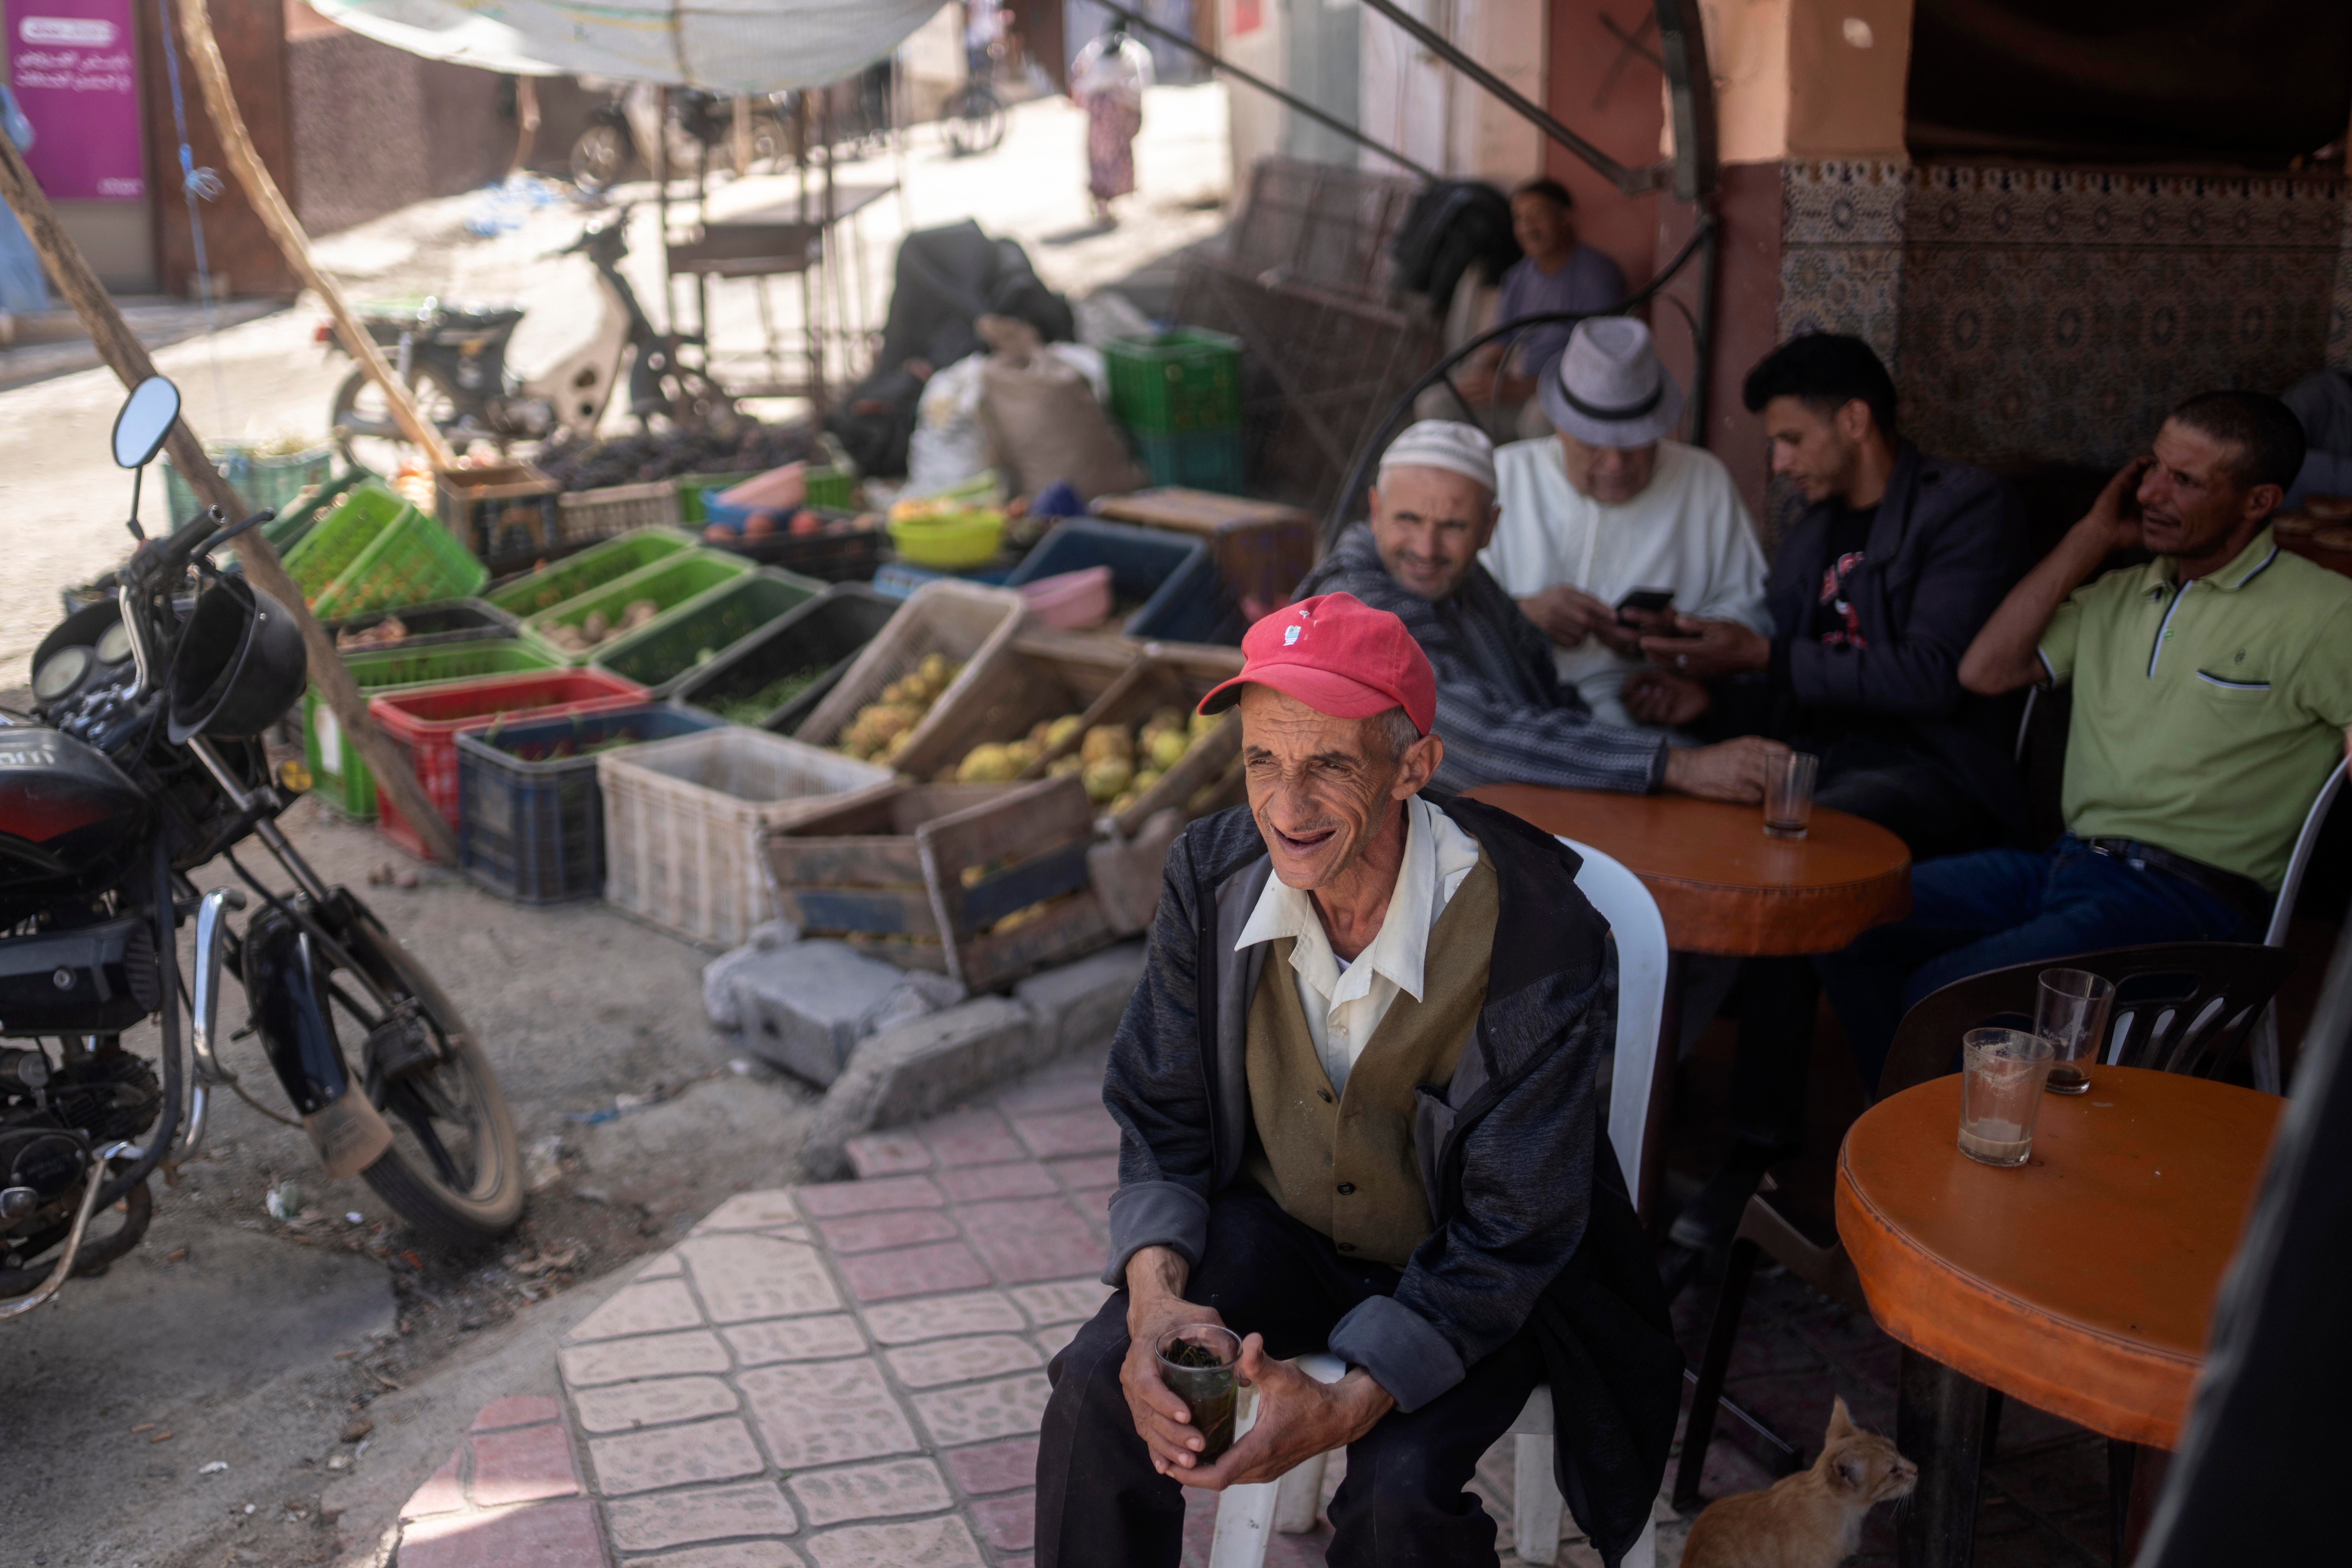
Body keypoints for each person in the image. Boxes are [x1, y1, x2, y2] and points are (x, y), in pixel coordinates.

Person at [1034, 593, 1679, 1567]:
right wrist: (1154, 1300)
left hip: (1473, 1270)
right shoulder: (1210, 880)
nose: (1284, 808)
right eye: (1262, 760)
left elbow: (1511, 1233)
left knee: (1396, 1499)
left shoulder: (1536, 940)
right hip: (1285, 1230)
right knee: (1100, 1383)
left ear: (1413, 765)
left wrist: (1344, 1402)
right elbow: (1161, 1117)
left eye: (1329, 764)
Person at [1624, 332, 2031, 1251]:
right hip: (1825, 759)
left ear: (1856, 420)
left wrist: (1759, 656)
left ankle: (1759, 1147)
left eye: (1791, 439)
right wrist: (1710, 690)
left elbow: (1933, 677)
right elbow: (1786, 681)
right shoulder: (1812, 531)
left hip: (1934, 767)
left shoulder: (1962, 509)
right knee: (1696, 808)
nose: (1778, 461)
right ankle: (1652, 1099)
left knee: (1789, 850)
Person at [1819, 389, 2352, 1086]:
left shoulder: (2325, 611)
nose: (2154, 492)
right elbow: (1986, 670)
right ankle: (1917, 1143)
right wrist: (2094, 535)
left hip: (2193, 902)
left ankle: (1933, 1165)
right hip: (2067, 865)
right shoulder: (2121, 593)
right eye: (2152, 468)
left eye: (2186, 481)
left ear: (2259, 502)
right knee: (1842, 918)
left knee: (1947, 993)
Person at [1295, 419, 1786, 802]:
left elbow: (1547, 693)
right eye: (1408, 519)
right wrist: (1674, 766)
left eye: (1453, 525)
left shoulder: (1468, 581)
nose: (1427, 547)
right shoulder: (1353, 603)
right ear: (1376, 509)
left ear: (1490, 528)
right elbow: (1474, 745)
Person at [1484, 317, 1769, 730]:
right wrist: (1522, 615)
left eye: (1635, 443)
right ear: (1561, 428)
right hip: (1518, 716)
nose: (1616, 463)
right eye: (1594, 444)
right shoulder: (1505, 477)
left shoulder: (1703, 481)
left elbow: (1752, 618)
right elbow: (1446, 619)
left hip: (1652, 728)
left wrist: (1676, 638)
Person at [1452, 178, 1627, 441]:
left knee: (1537, 418)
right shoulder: (1518, 277)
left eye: (1537, 216)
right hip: (1525, 394)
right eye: (1519, 219)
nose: (1526, 228)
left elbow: (1601, 369)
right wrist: (1476, 373)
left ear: (1566, 218)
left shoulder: (1596, 277)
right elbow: (1500, 344)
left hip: (1576, 402)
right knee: (1440, 401)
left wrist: (1519, 388)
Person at [1071, 21, 1153, 224]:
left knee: (1102, 161)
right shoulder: (1134, 53)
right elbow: (1140, 85)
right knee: (1107, 161)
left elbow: (1079, 80)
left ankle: (1103, 204)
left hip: (1105, 116)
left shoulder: (1097, 50)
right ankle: (1103, 204)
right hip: (1115, 115)